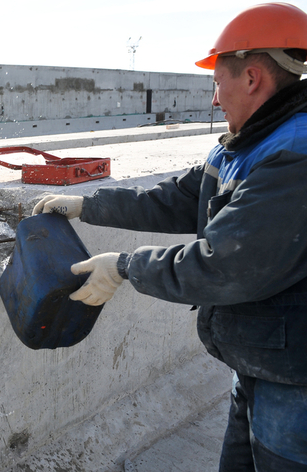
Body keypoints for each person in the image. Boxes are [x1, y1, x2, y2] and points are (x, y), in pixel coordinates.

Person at [32, 3, 307, 470]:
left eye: (218, 82)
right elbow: (179, 197)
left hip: (294, 380)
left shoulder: (293, 155)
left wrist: (124, 267)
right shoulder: (249, 142)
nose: (216, 99)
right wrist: (89, 204)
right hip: (260, 360)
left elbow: (227, 264)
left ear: (253, 78)